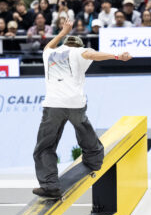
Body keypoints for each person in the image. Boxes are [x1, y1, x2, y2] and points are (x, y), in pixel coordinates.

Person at [32, 19, 133, 199]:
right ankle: (94, 159)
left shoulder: (49, 53)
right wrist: (117, 56)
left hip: (53, 104)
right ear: (79, 45)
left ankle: (50, 186)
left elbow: (48, 45)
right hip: (75, 103)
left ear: (64, 44)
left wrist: (64, 31)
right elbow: (92, 55)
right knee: (83, 127)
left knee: (45, 146)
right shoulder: (79, 51)